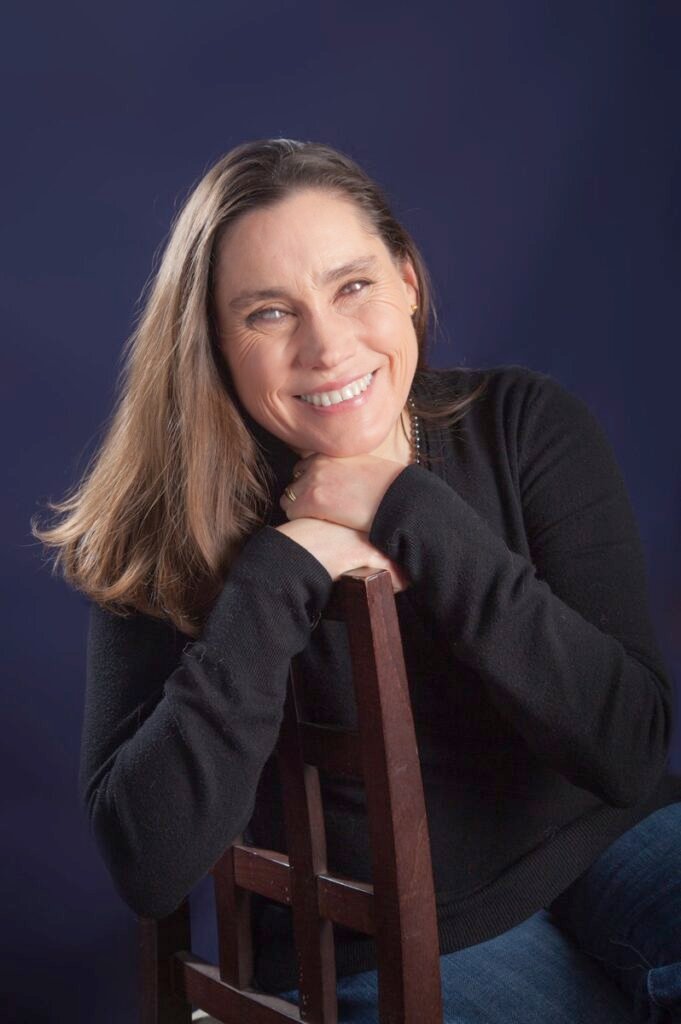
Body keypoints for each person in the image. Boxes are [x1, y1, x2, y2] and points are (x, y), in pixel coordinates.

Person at [32, 138, 681, 1023]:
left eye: (353, 286)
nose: (327, 346)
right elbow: (148, 864)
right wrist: (282, 570)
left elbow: (630, 749)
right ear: (215, 344)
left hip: (619, 840)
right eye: (268, 313)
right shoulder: (167, 527)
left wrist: (403, 504)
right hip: (383, 942)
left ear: (407, 280)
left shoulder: (527, 427)